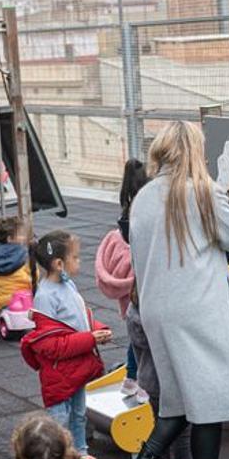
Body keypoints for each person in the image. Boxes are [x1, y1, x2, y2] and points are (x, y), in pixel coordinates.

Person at [120, 120, 229, 459]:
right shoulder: (200, 191)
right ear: (194, 150)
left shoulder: (146, 196)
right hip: (198, 309)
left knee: (180, 401)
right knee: (209, 401)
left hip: (157, 310)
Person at [101, 161, 195, 459]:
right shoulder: (163, 311)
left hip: (150, 381)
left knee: (159, 420)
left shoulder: (137, 312)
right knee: (180, 425)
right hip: (172, 381)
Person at [20, 229, 113, 459]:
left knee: (79, 414)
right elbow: (52, 346)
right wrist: (89, 338)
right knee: (60, 421)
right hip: (60, 374)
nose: (79, 261)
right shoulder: (46, 297)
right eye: (76, 257)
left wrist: (97, 329)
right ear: (59, 264)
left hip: (76, 369)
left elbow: (79, 317)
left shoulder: (66, 285)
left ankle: (79, 456)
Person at [95, 159, 150, 403]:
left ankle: (130, 379)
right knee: (146, 338)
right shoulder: (145, 210)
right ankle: (142, 384)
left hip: (131, 293)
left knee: (136, 335)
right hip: (142, 286)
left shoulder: (125, 212)